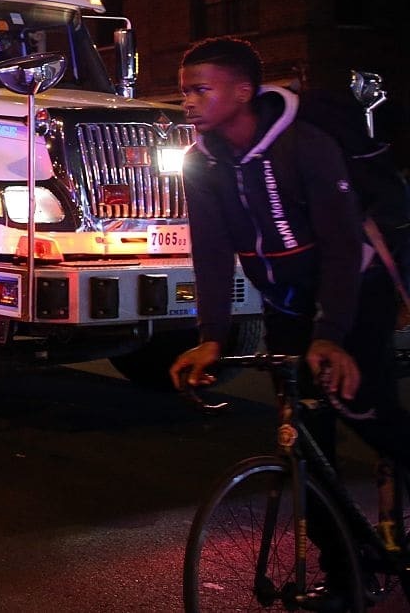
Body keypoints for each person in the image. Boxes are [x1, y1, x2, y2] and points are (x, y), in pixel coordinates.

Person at [169, 36, 410, 602]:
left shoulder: (307, 144)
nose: (188, 102)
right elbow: (209, 252)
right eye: (184, 92)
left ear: (243, 92)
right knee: (304, 443)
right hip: (285, 306)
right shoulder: (200, 161)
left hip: (354, 293)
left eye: (200, 90)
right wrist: (210, 338)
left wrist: (332, 337)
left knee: (366, 413)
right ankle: (347, 575)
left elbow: (342, 245)